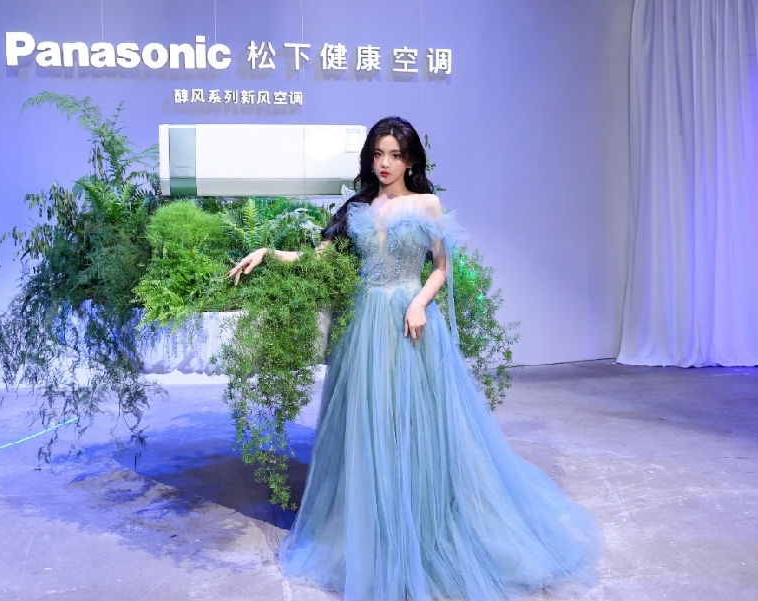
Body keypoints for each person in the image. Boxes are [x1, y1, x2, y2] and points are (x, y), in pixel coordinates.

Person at [228, 116, 600, 601]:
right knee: (370, 427)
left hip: (411, 323)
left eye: (395, 155)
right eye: (378, 155)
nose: (385, 164)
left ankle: (423, 528)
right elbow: (319, 260)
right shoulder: (357, 208)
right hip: (365, 328)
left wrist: (420, 301)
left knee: (416, 427)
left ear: (410, 161)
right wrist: (266, 252)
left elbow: (441, 268)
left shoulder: (427, 204)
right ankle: (375, 532)